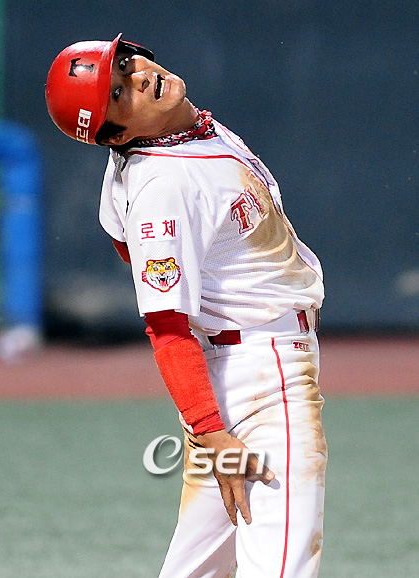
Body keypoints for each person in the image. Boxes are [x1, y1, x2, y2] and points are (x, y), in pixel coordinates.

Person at [46, 34, 327, 578]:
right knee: (282, 566)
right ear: (117, 134)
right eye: (118, 93)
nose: (139, 76)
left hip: (238, 368)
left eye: (125, 63)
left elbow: (122, 238)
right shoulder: (163, 182)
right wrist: (210, 428)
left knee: (197, 569)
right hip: (262, 376)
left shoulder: (187, 130)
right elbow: (166, 325)